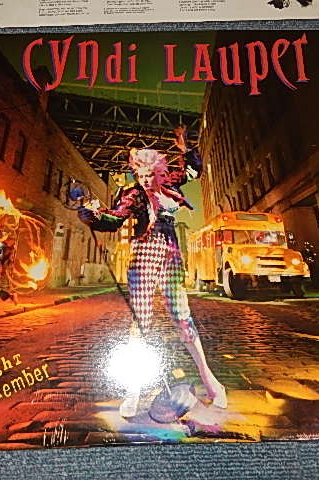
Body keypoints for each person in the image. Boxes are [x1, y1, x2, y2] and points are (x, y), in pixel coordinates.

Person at [77, 126, 227, 417]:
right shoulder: (132, 194)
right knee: (140, 323)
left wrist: (185, 149)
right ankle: (133, 391)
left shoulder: (171, 183)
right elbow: (115, 218)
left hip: (171, 255)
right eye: (140, 175)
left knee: (183, 319)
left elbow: (194, 170)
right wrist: (93, 216)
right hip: (144, 254)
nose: (145, 180)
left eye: (149, 175)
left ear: (159, 172)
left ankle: (211, 383)